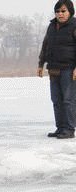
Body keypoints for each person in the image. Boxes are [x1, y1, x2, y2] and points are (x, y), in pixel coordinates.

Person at [38, 0, 76, 139]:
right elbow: (45, 45)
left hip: (69, 69)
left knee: (68, 100)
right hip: (54, 68)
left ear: (70, 11)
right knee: (56, 100)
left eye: (63, 11)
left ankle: (69, 129)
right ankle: (60, 128)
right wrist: (41, 64)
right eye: (58, 11)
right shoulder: (52, 26)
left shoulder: (74, 25)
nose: (60, 14)